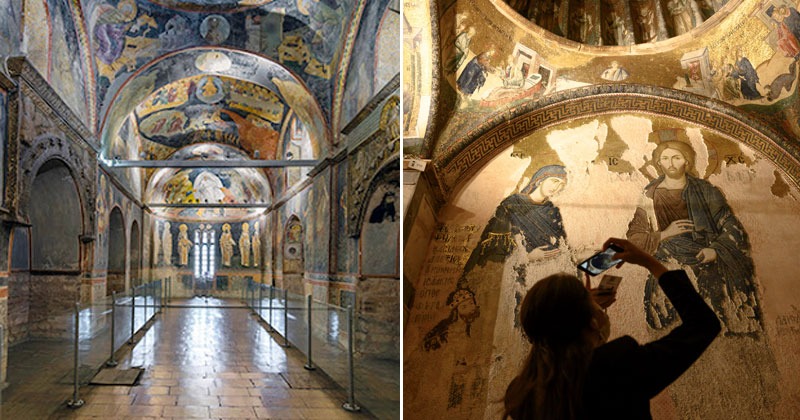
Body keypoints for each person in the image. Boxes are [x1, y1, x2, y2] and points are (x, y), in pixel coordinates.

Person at [503, 238, 721, 419]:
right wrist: (648, 261)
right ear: (592, 322)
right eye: (593, 307)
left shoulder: (520, 392)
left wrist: (590, 311)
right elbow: (703, 324)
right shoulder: (617, 365)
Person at [423, 165, 568, 350]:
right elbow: (493, 246)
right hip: (512, 277)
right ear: (540, 178)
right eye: (554, 181)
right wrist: (527, 256)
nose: (556, 187)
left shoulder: (551, 212)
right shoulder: (512, 205)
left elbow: (561, 244)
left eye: (561, 185)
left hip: (544, 276)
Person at [626, 141, 762, 335]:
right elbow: (634, 239)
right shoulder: (649, 195)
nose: (670, 163)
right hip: (668, 259)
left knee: (723, 306)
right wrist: (665, 234)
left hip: (706, 256)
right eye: (665, 159)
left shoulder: (706, 191)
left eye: (676, 157)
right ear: (658, 163)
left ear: (687, 162)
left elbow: (731, 226)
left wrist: (715, 250)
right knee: (663, 316)